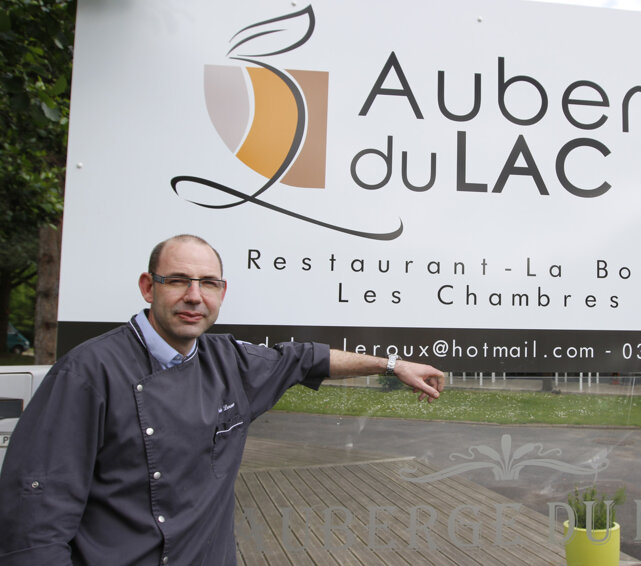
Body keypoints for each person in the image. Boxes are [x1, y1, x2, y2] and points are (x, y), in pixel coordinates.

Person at [0, 234, 445, 566]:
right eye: (178, 280)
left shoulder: (230, 361)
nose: (195, 295)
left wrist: (391, 366)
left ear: (222, 293)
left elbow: (309, 358)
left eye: (208, 283)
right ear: (147, 287)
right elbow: (35, 512)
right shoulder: (88, 372)